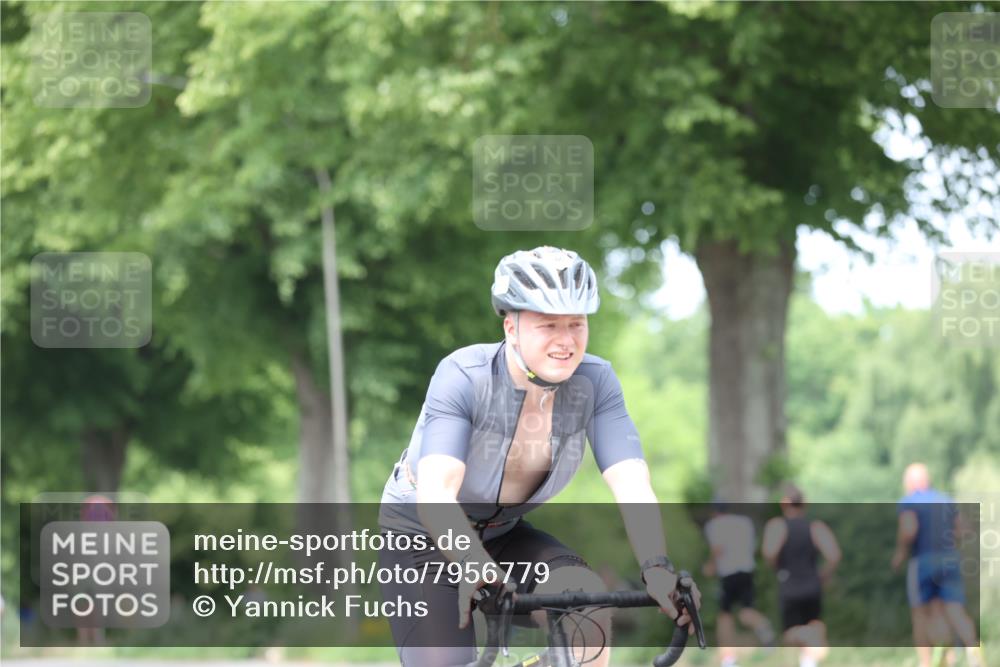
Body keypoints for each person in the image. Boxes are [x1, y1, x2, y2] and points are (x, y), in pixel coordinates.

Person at [378, 246, 701, 667]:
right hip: (421, 538)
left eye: (576, 324)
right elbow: (437, 495)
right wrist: (472, 562)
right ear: (511, 327)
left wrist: (657, 568)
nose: (566, 341)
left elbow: (632, 484)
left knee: (585, 608)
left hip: (503, 534)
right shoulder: (462, 376)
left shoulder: (597, 382)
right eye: (548, 325)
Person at [891, 463, 983, 667]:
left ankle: (928, 662)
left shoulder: (909, 502)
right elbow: (964, 530)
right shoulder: (946, 499)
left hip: (923, 561)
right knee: (954, 610)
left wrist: (900, 554)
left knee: (922, 613)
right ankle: (973, 653)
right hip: (950, 559)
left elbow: (909, 529)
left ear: (912, 482)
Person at [761, 484, 840, 667]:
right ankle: (809, 658)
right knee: (815, 624)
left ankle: (809, 637)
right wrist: (822, 575)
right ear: (805, 504)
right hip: (813, 585)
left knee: (789, 635)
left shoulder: (778, 525)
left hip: (790, 586)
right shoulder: (815, 527)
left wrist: (777, 568)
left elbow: (769, 552)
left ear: (784, 504)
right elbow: (834, 555)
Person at [703, 501, 774, 667]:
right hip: (747, 571)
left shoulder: (714, 525)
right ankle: (764, 628)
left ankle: (728, 659)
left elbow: (717, 549)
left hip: (728, 574)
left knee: (724, 616)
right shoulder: (744, 522)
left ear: (714, 512)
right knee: (746, 611)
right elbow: (752, 546)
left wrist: (710, 566)